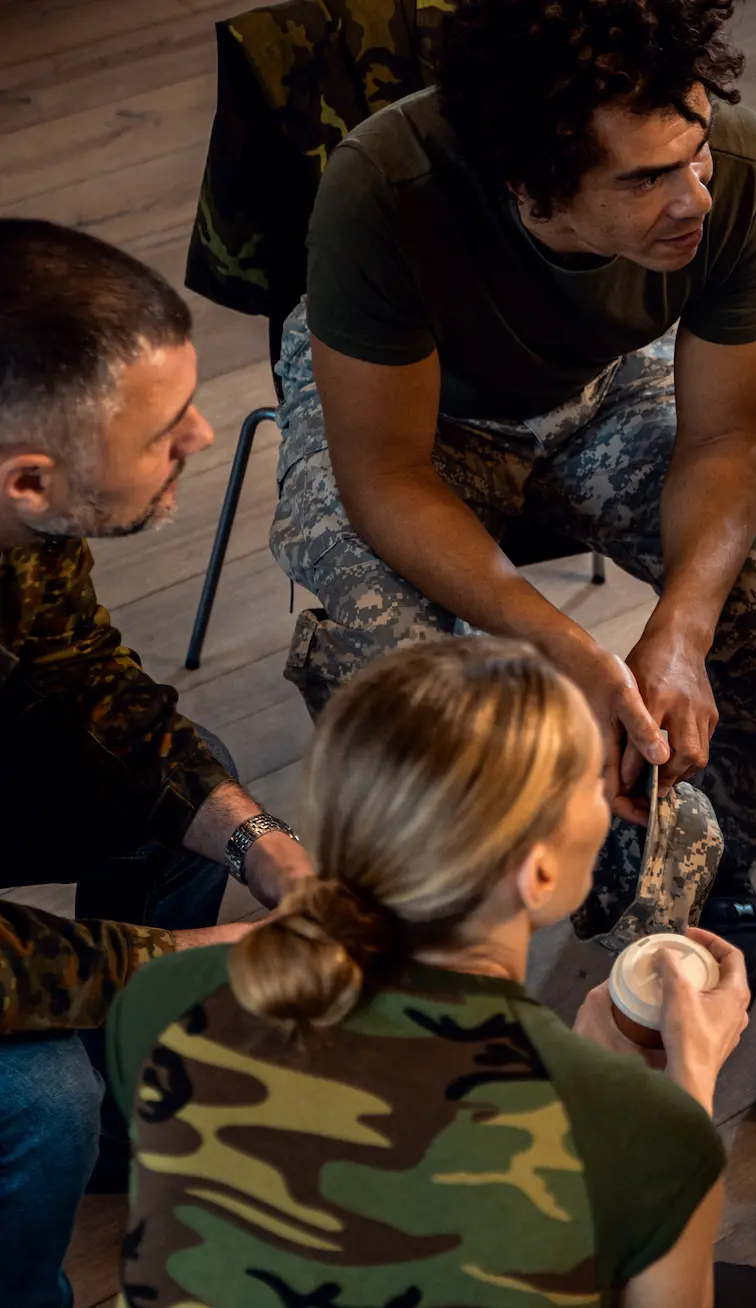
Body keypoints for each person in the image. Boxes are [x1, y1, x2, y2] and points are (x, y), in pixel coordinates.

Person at [268, 0, 756, 992]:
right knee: (396, 666)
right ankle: (431, 926)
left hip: (604, 380)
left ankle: (696, 867)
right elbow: (387, 477)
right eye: (645, 178)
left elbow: (725, 437)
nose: (696, 199)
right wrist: (566, 647)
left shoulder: (736, 170)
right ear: (528, 187)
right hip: (415, 417)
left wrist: (678, 629)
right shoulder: (385, 186)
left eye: (695, 152)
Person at [106, 638, 756, 1307]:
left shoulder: (159, 996)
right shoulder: (641, 1127)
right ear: (539, 872)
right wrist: (688, 1092)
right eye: (592, 781)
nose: (611, 797)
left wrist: (585, 1068)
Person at [0, 219, 314, 1308]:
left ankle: (136, 1135)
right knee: (38, 1097)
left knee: (195, 780)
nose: (203, 432)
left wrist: (264, 848)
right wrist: (195, 956)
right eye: (163, 430)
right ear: (32, 478)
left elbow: (85, 684)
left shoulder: (23, 521)